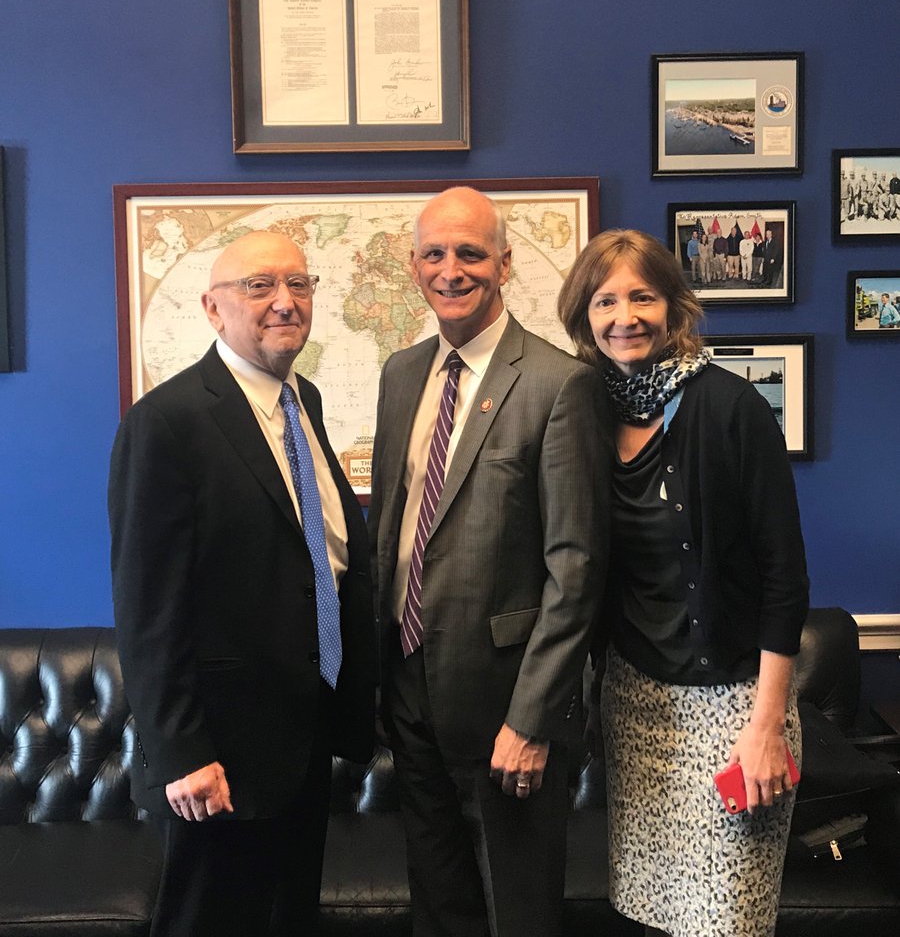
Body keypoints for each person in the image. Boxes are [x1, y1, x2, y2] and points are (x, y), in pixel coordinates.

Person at [109, 231, 376, 937]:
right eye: (259, 286)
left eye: (299, 284)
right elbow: (146, 609)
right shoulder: (166, 422)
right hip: (219, 756)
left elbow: (316, 553)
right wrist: (183, 753)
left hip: (304, 734)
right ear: (212, 308)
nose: (285, 302)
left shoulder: (302, 399)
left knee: (290, 920)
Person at [368, 186, 610, 937]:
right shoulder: (400, 374)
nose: (452, 270)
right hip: (409, 689)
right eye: (435, 254)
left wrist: (532, 719)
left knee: (518, 912)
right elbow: (393, 529)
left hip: (507, 704)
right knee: (438, 905)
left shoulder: (558, 384)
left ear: (504, 264)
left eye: (471, 253)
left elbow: (576, 570)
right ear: (413, 266)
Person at [557, 229, 809, 937]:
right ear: (583, 316)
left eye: (642, 297)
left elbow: (785, 576)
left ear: (673, 306)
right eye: (605, 301)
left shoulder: (731, 407)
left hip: (734, 709)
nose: (624, 317)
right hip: (636, 703)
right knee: (649, 910)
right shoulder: (584, 412)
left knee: (727, 919)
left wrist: (766, 727)